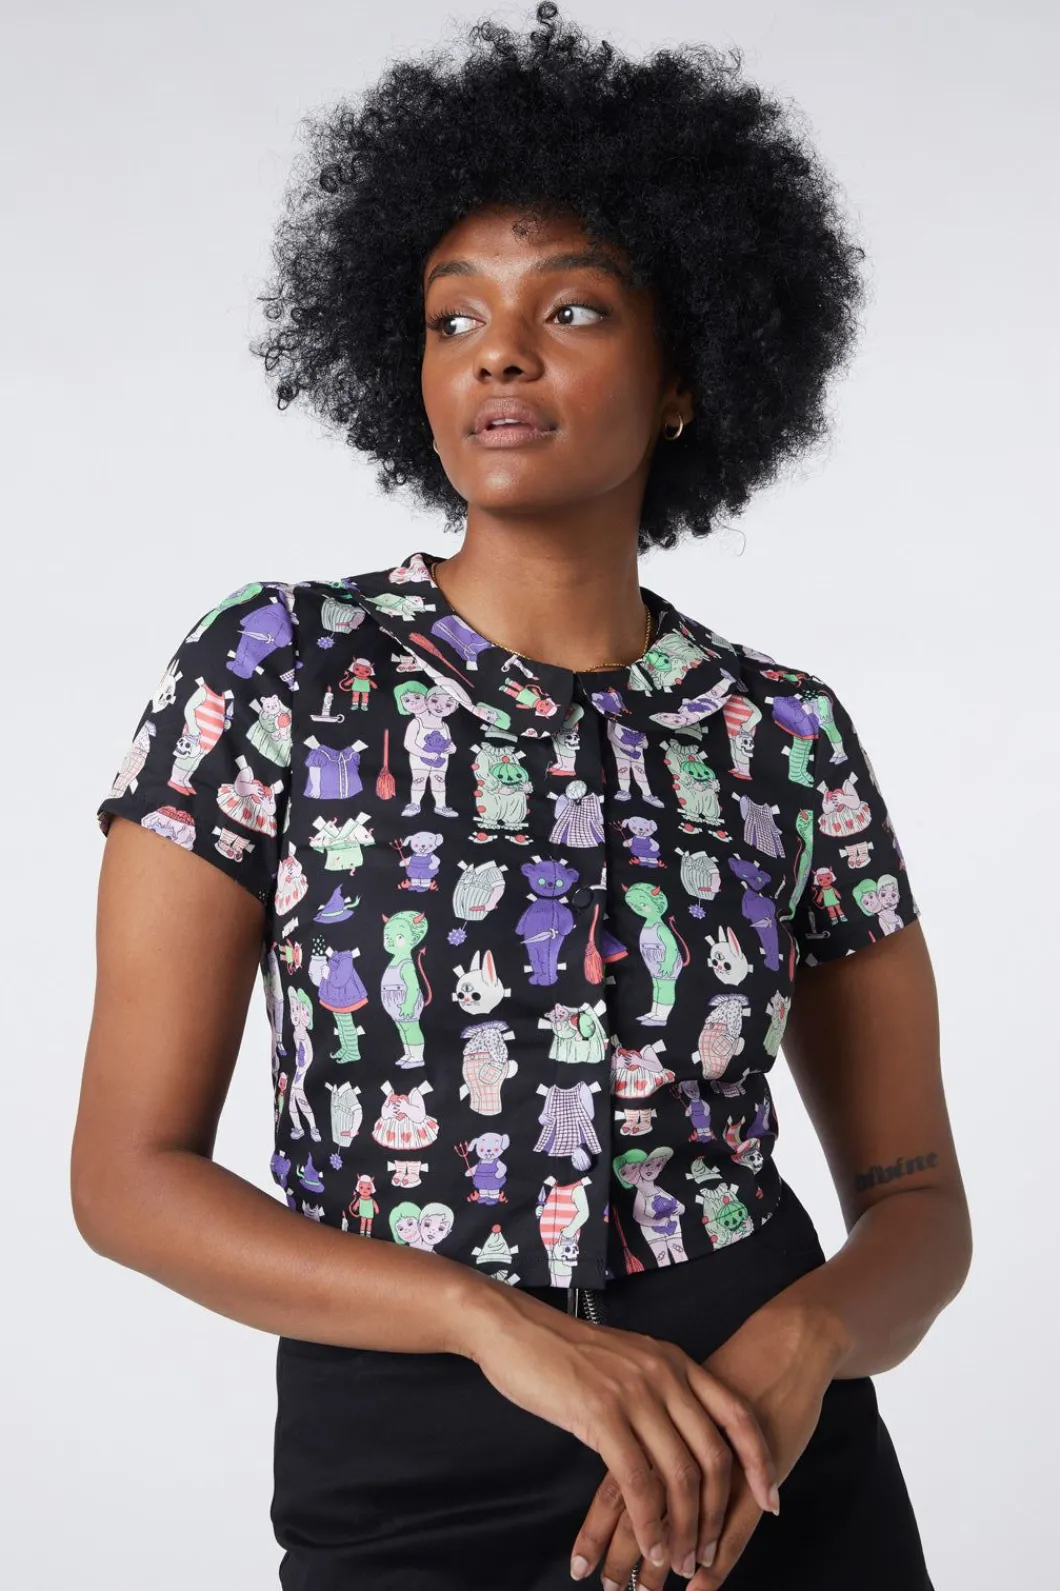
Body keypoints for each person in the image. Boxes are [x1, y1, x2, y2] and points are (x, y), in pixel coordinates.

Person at [72, 6, 971, 1589]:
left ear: (683, 372)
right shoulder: (276, 670)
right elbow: (126, 1179)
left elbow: (918, 1202)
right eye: (452, 316)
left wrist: (809, 1339)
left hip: (765, 1459)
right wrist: (497, 1323)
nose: (499, 350)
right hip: (413, 1468)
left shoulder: (782, 732)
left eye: (571, 307)